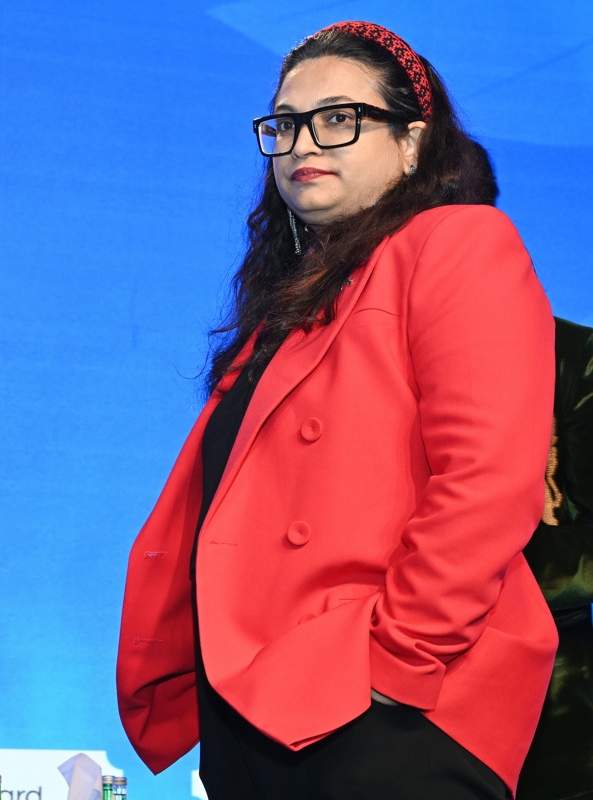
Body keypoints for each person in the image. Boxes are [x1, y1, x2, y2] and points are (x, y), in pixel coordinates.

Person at [116, 21, 556, 799]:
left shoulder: (457, 241)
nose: (303, 143)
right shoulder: (291, 308)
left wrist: (397, 661)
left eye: (340, 118)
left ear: (413, 142)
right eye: (286, 124)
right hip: (259, 703)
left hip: (386, 703)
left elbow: (488, 480)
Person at [519, 317, 593, 800]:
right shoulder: (364, 352)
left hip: (553, 706)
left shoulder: (570, 353)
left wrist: (470, 576)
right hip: (384, 710)